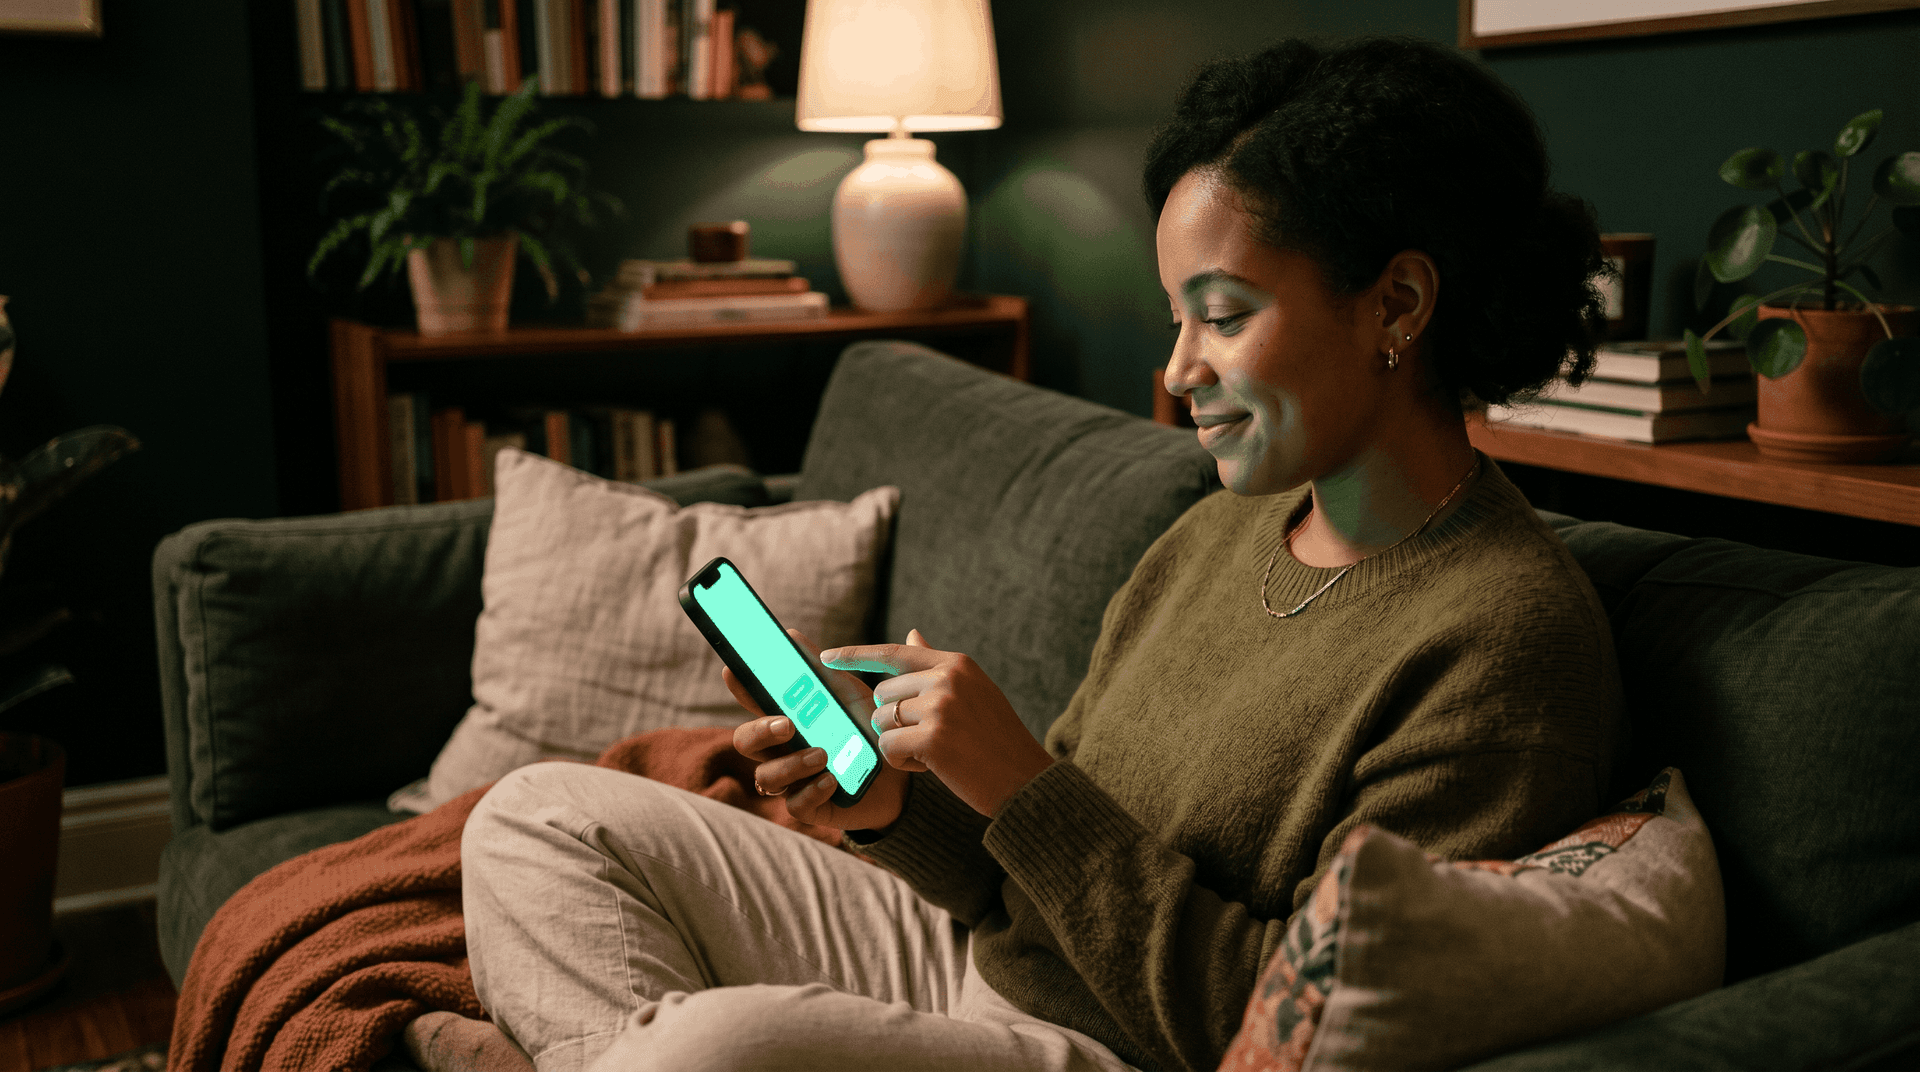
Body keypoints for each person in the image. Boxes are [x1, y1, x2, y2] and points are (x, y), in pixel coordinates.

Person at [455, 35, 1624, 1072]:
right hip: (972, 961)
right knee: (534, 816)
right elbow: (1015, 882)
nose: (1176, 372)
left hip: (1114, 1047)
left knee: (712, 1050)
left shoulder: (1504, 644)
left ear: (1399, 304)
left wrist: (1023, 779)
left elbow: (1287, 1030)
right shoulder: (1217, 531)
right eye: (1176, 318)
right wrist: (887, 805)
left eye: (1221, 316)